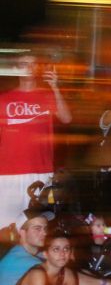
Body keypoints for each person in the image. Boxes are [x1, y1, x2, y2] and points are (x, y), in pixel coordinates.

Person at [0, 54, 72, 229]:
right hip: (8, 173)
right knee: (5, 226)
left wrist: (55, 88)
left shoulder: (47, 95)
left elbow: (66, 118)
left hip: (41, 172)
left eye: (33, 64)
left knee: (37, 226)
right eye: (23, 63)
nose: (28, 67)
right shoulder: (3, 99)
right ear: (16, 68)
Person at [0, 209, 53, 285]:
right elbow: (65, 278)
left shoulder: (23, 253)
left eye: (45, 228)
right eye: (38, 228)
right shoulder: (20, 259)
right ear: (22, 232)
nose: (45, 233)